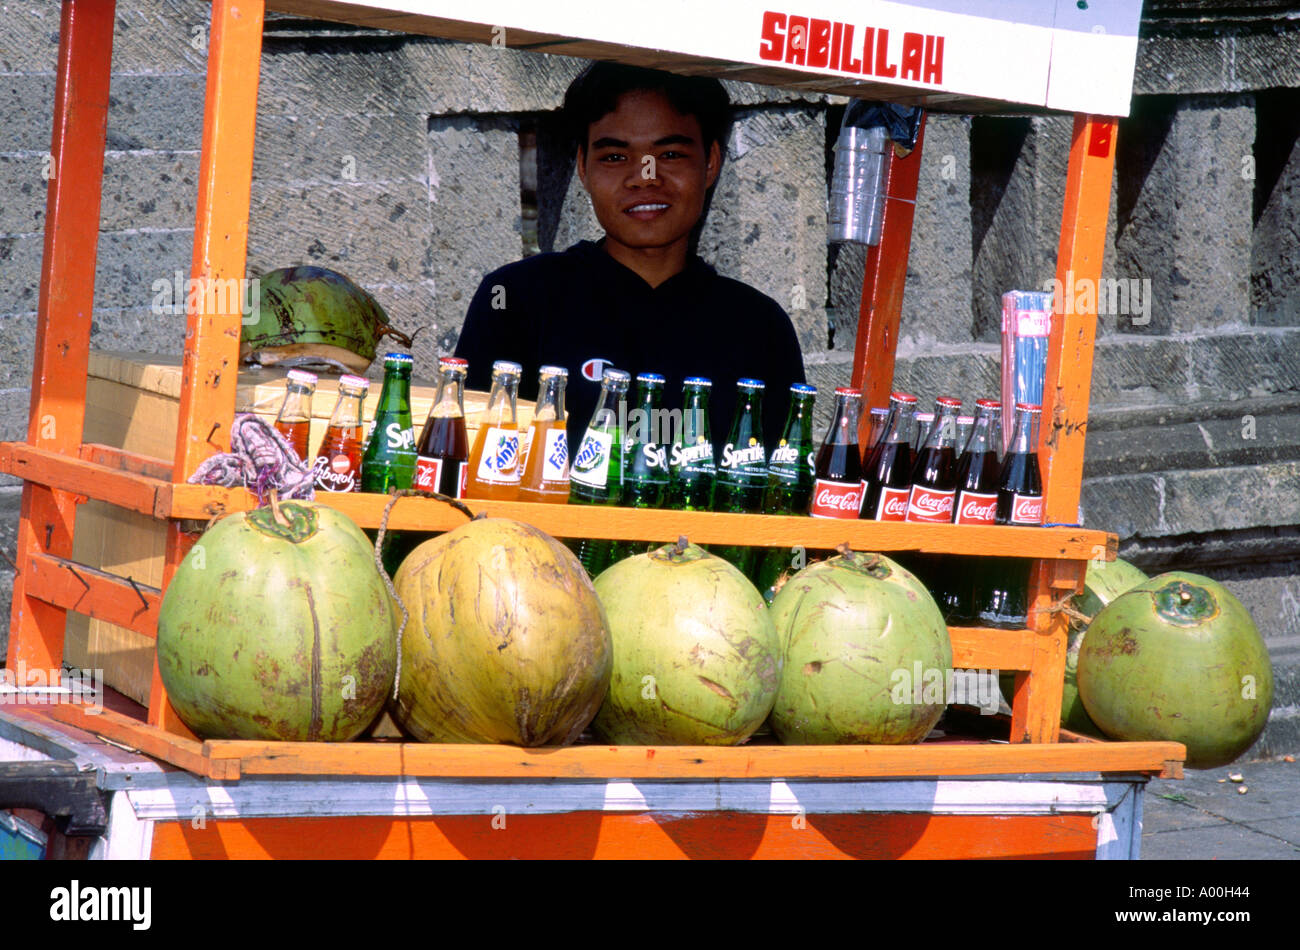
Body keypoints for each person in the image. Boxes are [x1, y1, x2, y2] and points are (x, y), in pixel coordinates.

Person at [454, 62, 806, 449]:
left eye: (670, 153)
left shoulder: (759, 325)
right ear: (583, 168)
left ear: (710, 163)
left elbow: (781, 489)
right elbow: (467, 461)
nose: (644, 176)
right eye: (615, 157)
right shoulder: (515, 299)